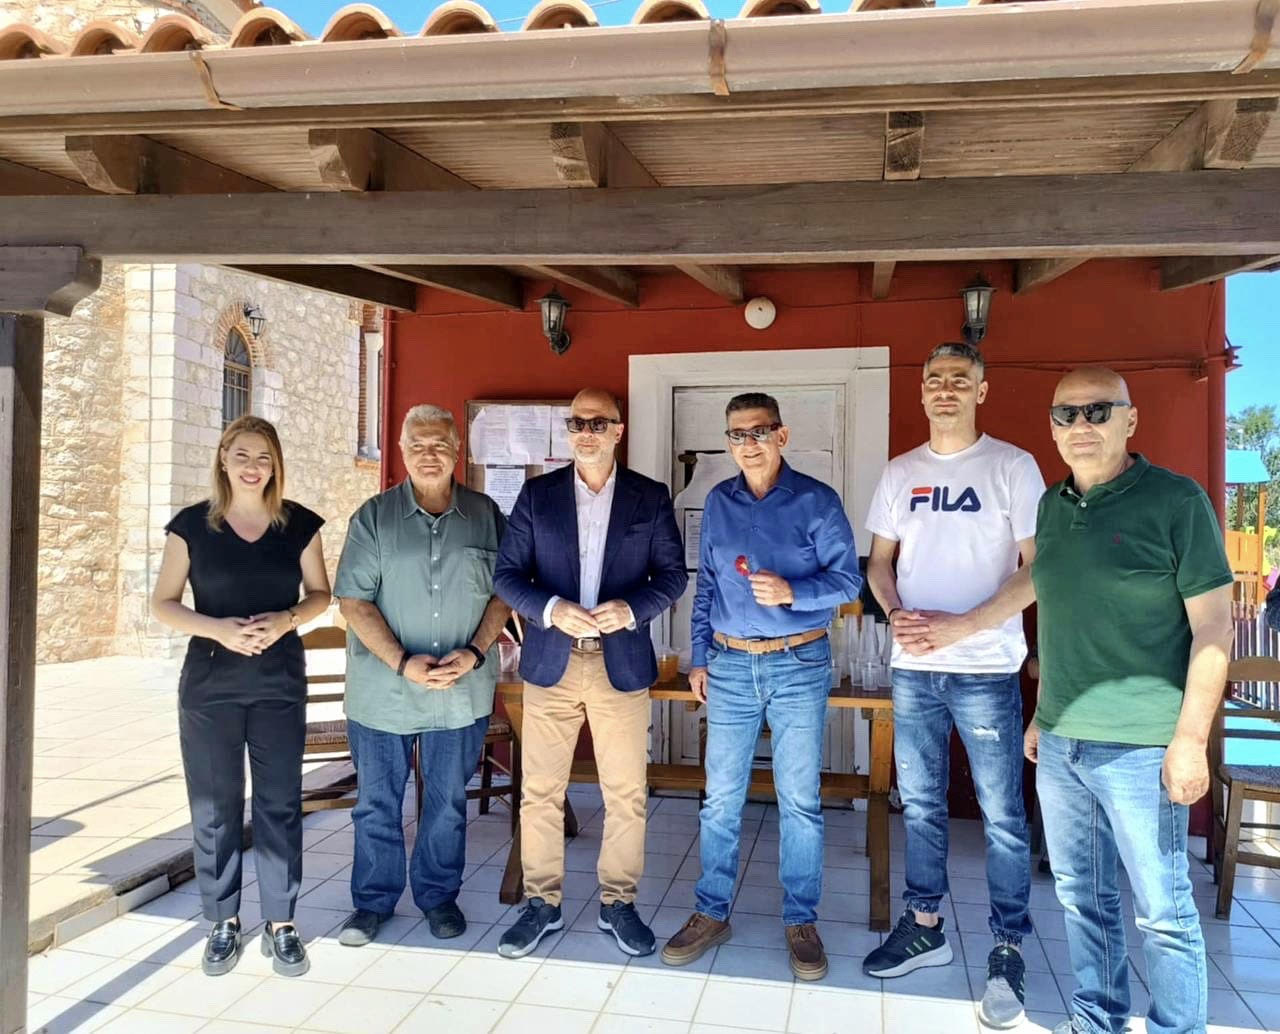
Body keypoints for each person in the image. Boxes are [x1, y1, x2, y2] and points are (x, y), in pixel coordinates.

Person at [1027, 367, 1234, 1034]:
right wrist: (1042, 714)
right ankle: (1097, 1021)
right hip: (1062, 744)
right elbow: (1062, 615)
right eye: (1066, 414)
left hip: (1143, 747)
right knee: (1081, 900)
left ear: (1130, 419)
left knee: (1163, 914)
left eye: (1098, 411)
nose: (1080, 425)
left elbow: (1213, 627)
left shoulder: (1176, 501)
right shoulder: (1051, 505)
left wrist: (1190, 740)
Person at [858, 342, 1043, 1029]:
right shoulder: (900, 472)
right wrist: (894, 611)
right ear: (922, 391)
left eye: (959, 380)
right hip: (914, 669)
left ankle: (1007, 948)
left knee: (1002, 815)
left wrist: (962, 627)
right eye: (934, 379)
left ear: (981, 391)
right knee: (921, 805)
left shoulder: (1012, 466)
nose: (944, 389)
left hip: (986, 668)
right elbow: (879, 563)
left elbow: (1038, 568)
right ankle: (924, 926)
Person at [661, 392, 861, 981]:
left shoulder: (817, 501)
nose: (748, 443)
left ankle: (800, 918)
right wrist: (699, 657)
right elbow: (707, 586)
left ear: (782, 435)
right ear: (728, 442)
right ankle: (711, 911)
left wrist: (794, 592)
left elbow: (848, 580)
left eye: (759, 431)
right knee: (721, 798)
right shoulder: (718, 502)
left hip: (798, 661)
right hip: (728, 665)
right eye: (737, 434)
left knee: (799, 799)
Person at [493, 388, 686, 959]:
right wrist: (552, 609)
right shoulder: (538, 495)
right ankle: (541, 903)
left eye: (598, 423)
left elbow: (672, 576)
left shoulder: (649, 496)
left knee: (625, 793)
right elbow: (507, 576)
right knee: (540, 792)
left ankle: (618, 903)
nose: (586, 432)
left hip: (619, 662)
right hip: (550, 662)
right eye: (577, 422)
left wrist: (631, 609)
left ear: (618, 431)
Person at [151, 415, 331, 978]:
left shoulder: (299, 525)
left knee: (280, 803)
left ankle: (282, 922)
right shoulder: (191, 527)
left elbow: (321, 594)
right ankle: (222, 920)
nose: (254, 467)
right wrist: (218, 630)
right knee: (215, 807)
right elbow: (162, 603)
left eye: (264, 458)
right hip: (210, 686)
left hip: (279, 683)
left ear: (276, 465)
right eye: (243, 455)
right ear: (224, 459)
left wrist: (286, 619)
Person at [332, 404, 510, 947]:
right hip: (383, 693)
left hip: (460, 692)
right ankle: (372, 903)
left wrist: (475, 652)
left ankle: (438, 897)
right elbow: (353, 601)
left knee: (447, 804)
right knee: (377, 804)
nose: (429, 454)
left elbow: (505, 593)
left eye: (439, 444)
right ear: (402, 450)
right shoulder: (373, 517)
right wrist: (402, 662)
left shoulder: (486, 515)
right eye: (418, 445)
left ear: (457, 450)